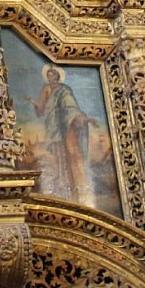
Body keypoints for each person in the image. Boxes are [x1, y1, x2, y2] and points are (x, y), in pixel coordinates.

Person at [29, 66, 95, 203]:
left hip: (63, 125)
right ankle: (56, 184)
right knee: (55, 152)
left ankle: (68, 186)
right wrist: (35, 104)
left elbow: (71, 108)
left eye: (53, 75)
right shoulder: (46, 89)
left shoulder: (64, 90)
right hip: (51, 125)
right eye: (48, 75)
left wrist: (82, 118)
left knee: (66, 152)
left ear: (58, 76)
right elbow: (41, 109)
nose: (50, 77)